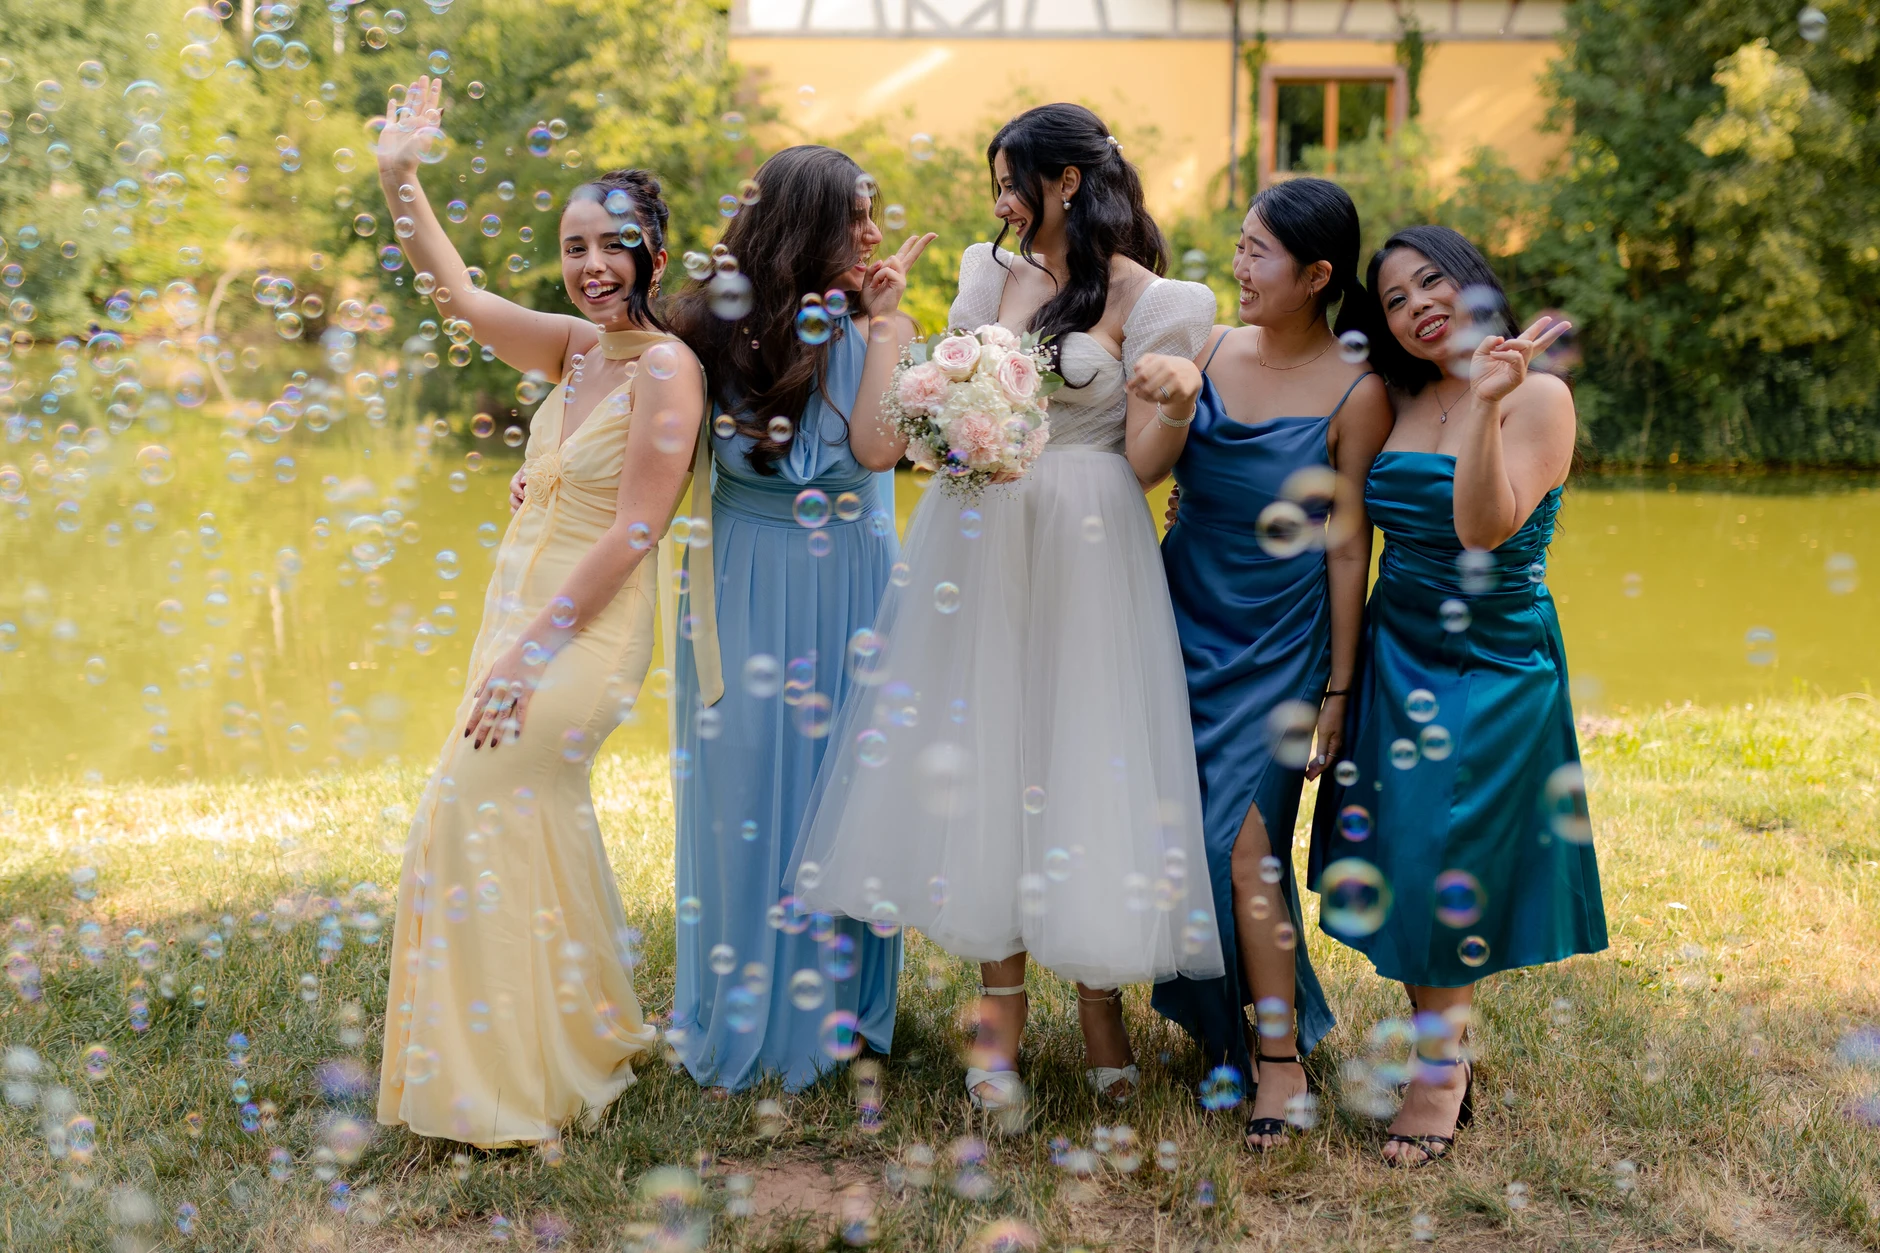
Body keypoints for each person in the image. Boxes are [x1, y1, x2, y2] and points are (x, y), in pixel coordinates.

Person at [792, 103, 1224, 1112]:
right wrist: (944, 415)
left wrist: (1172, 400)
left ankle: (1100, 1011)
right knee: (990, 751)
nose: (997, 195)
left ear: (1066, 179)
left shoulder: (1163, 299)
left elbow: (1146, 465)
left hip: (1088, 533)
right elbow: (940, 415)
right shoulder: (986, 275)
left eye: (1010, 175)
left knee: (1080, 750)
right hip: (978, 528)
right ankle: (996, 1032)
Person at [372, 77, 705, 1146]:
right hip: (517, 606)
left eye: (611, 243)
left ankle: (512, 1085)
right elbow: (462, 299)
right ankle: (584, 1030)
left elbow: (635, 530)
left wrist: (527, 657)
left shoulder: (667, 368)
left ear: (652, 247)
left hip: (579, 632)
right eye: (572, 247)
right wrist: (400, 179)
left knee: (472, 804)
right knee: (525, 815)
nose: (590, 265)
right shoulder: (570, 351)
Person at [1308, 225, 1601, 1166]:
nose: (1416, 305)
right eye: (1394, 298)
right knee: (1400, 849)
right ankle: (1441, 1037)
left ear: (1472, 283)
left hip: (1495, 658)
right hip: (1402, 647)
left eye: (1432, 281)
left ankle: (1441, 1075)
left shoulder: (1541, 397)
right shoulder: (1393, 396)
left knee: (1447, 842)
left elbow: (1483, 529)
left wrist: (1485, 406)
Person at [663, 145, 935, 1092]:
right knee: (746, 786)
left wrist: (888, 330)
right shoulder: (706, 336)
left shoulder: (875, 334)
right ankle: (755, 1007)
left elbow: (875, 448)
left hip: (858, 578)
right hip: (746, 580)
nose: (870, 234)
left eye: (873, 215)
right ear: (802, 226)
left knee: (850, 783)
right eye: (853, 217)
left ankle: (847, 1011)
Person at [1142, 178, 1391, 1149]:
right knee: (1178, 840)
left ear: (1318, 275)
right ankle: (1222, 1029)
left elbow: (1345, 543)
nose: (1238, 266)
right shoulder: (1204, 345)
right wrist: (1163, 401)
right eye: (1238, 245)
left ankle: (1278, 1060)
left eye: (1258, 253)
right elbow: (1155, 465)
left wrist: (1335, 684)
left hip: (1278, 638)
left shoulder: (1354, 388)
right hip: (1179, 610)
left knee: (1241, 846)